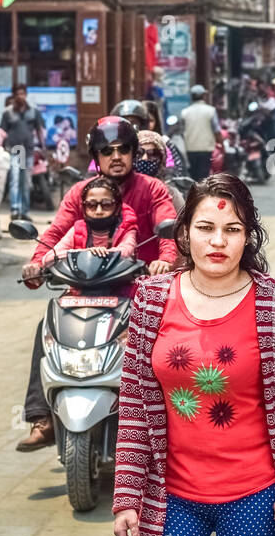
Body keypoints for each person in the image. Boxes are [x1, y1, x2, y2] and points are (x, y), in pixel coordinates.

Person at [111, 173, 275, 536]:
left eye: (232, 230)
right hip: (171, 499)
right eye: (206, 228)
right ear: (184, 234)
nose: (218, 241)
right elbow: (133, 405)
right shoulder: (149, 299)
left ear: (248, 238)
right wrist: (126, 497)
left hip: (254, 498)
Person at [16, 116, 179, 451]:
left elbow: (168, 229)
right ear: (96, 156)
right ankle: (42, 417)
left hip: (139, 290)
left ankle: (169, 427)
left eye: (123, 149)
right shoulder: (81, 192)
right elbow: (56, 233)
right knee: (46, 327)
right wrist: (36, 265)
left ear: (134, 153)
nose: (115, 157)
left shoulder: (153, 190)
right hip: (83, 289)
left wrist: (165, 260)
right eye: (107, 151)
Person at [38, 174, 138, 263]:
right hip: (80, 283)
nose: (99, 211)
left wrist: (102, 254)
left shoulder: (126, 228)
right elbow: (48, 258)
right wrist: (84, 253)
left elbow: (127, 251)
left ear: (117, 207)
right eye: (91, 205)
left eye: (106, 204)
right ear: (83, 208)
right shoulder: (77, 229)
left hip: (118, 283)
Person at [0, 84, 45, 223]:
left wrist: (43, 147)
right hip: (14, 150)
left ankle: (24, 211)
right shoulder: (8, 113)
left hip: (28, 151)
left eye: (22, 93)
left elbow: (39, 130)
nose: (21, 96)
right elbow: (2, 132)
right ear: (14, 96)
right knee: (14, 180)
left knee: (26, 182)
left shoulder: (33, 112)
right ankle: (15, 209)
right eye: (18, 94)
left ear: (26, 95)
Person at [180, 84, 219, 180]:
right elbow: (217, 130)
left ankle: (195, 193)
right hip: (206, 149)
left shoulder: (185, 112)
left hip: (190, 148)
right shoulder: (211, 111)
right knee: (203, 175)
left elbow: (181, 131)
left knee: (193, 175)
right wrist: (221, 144)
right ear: (203, 96)